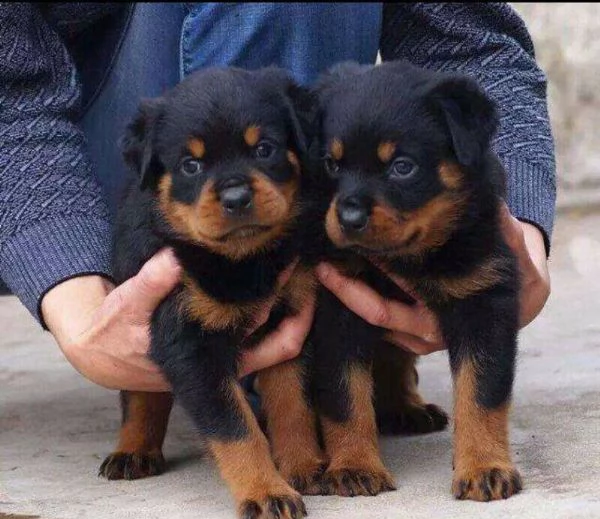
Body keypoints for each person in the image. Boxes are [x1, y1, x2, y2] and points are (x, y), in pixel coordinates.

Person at [0, 3, 553, 393]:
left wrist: (514, 239)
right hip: (76, 147)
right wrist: (78, 311)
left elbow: (468, 41)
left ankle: (311, 346)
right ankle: (257, 357)